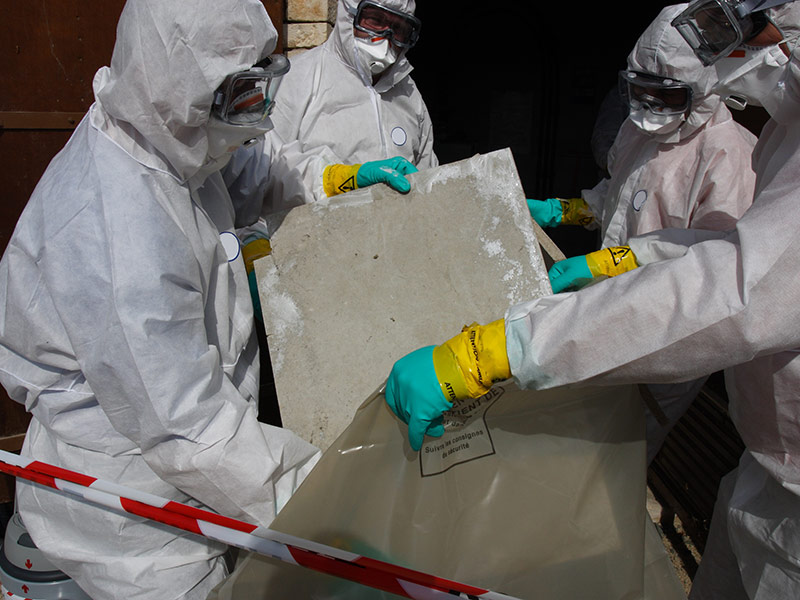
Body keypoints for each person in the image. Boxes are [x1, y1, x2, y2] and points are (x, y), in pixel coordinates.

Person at [384, 1, 800, 598]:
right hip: (764, 464)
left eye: (747, 26)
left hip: (669, 355)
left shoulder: (729, 149)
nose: (740, 47)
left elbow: (730, 288)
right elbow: (634, 203)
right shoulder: (758, 130)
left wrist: (507, 346)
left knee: (614, 456)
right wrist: (569, 214)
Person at [0, 1, 333, 598]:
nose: (256, 114)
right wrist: (337, 501)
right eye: (238, 94)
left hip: (180, 464)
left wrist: (330, 180)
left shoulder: (162, 134)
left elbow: (242, 174)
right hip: (134, 515)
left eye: (261, 82)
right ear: (179, 89)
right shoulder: (119, 230)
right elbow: (191, 429)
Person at [530, 4, 759, 463]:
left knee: (621, 450)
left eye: (668, 96)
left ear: (703, 89)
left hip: (665, 328)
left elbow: (713, 264)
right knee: (576, 429)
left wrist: (609, 263)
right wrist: (565, 210)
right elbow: (618, 198)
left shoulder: (728, 154)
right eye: (640, 90)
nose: (650, 106)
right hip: (605, 305)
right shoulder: (638, 132)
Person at [261, 0, 437, 213]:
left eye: (398, 28)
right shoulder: (298, 80)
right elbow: (265, 174)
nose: (386, 36)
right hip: (316, 238)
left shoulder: (409, 94)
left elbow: (429, 177)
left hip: (395, 238)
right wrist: (342, 179)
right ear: (349, 15)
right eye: (375, 20)